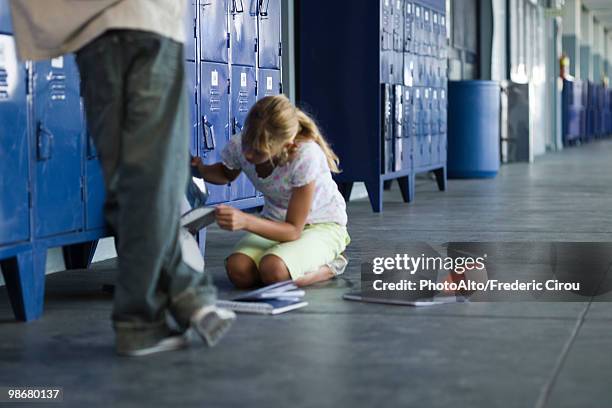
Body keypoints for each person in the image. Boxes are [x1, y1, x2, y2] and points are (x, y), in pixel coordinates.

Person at [9, 0, 235, 356]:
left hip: (92, 37)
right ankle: (153, 313)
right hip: (145, 22)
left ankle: (172, 302)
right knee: (156, 180)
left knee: (128, 183)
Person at [192, 95, 350, 288]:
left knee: (273, 270)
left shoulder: (305, 156)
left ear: (287, 147)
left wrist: (245, 220)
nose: (248, 155)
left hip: (320, 225)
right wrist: (200, 168)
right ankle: (289, 266)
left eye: (259, 152)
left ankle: (331, 265)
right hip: (275, 222)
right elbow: (225, 174)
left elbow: (293, 230)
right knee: (238, 270)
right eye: (248, 144)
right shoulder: (241, 144)